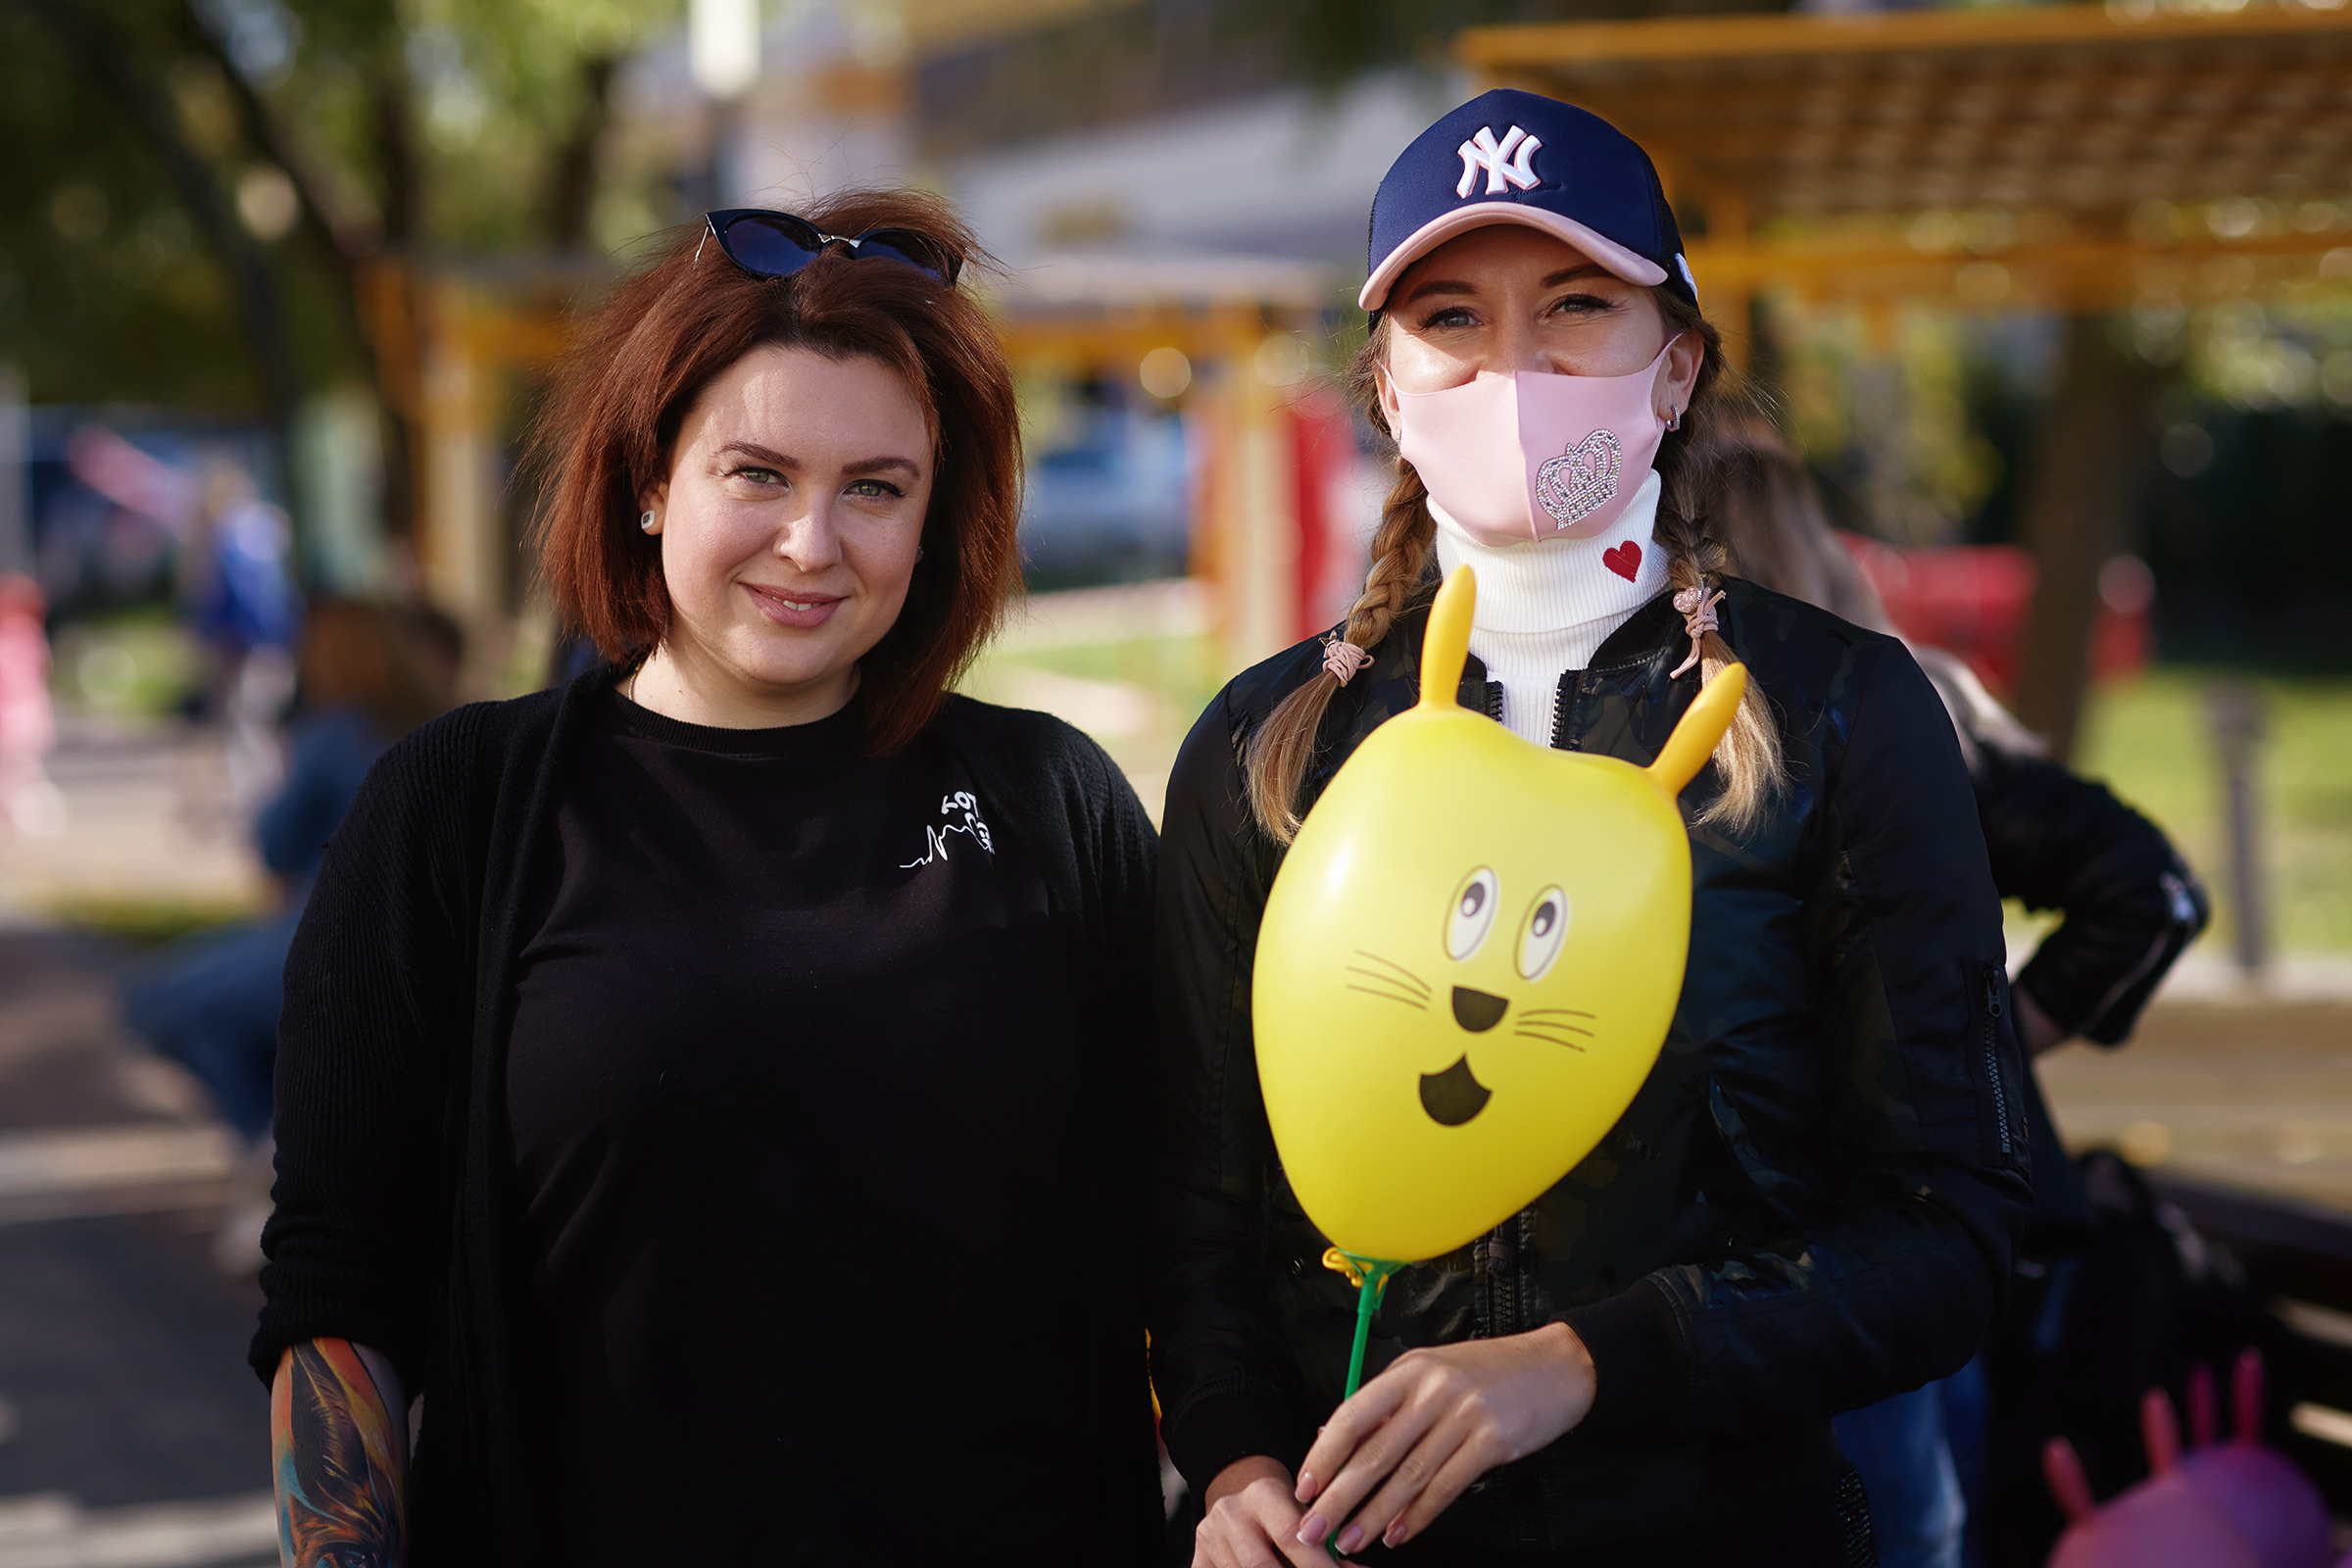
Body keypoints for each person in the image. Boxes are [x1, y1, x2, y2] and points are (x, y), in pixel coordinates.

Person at [1149, 90, 2033, 1566]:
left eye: (1575, 305)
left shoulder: (1838, 715)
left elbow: (1950, 1228)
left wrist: (1587, 1366)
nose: (1513, 370)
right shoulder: (1265, 746)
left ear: (1676, 365)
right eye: (1450, 316)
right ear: (1383, 382)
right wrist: (1236, 1460)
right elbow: (1193, 1198)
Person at [250, 190, 1164, 1566]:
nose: (813, 543)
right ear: (649, 477)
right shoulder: (459, 808)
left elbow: (1184, 1227)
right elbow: (343, 1281)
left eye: (875, 489)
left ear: (935, 516)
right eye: (758, 474)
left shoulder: (1052, 802)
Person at [1696, 412, 2210, 1568]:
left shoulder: (1883, 710)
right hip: (1846, 1247)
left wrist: (1984, 1034)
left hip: (1882, 1238)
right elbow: (2153, 886)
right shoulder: (1894, 695)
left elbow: (2149, 889)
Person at [122, 598, 454, 1271]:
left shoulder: (333, 734)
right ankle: (285, 1146)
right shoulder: (441, 721)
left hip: (334, 934)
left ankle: (273, 1150)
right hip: (425, 938)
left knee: (164, 1004)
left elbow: (272, 847)